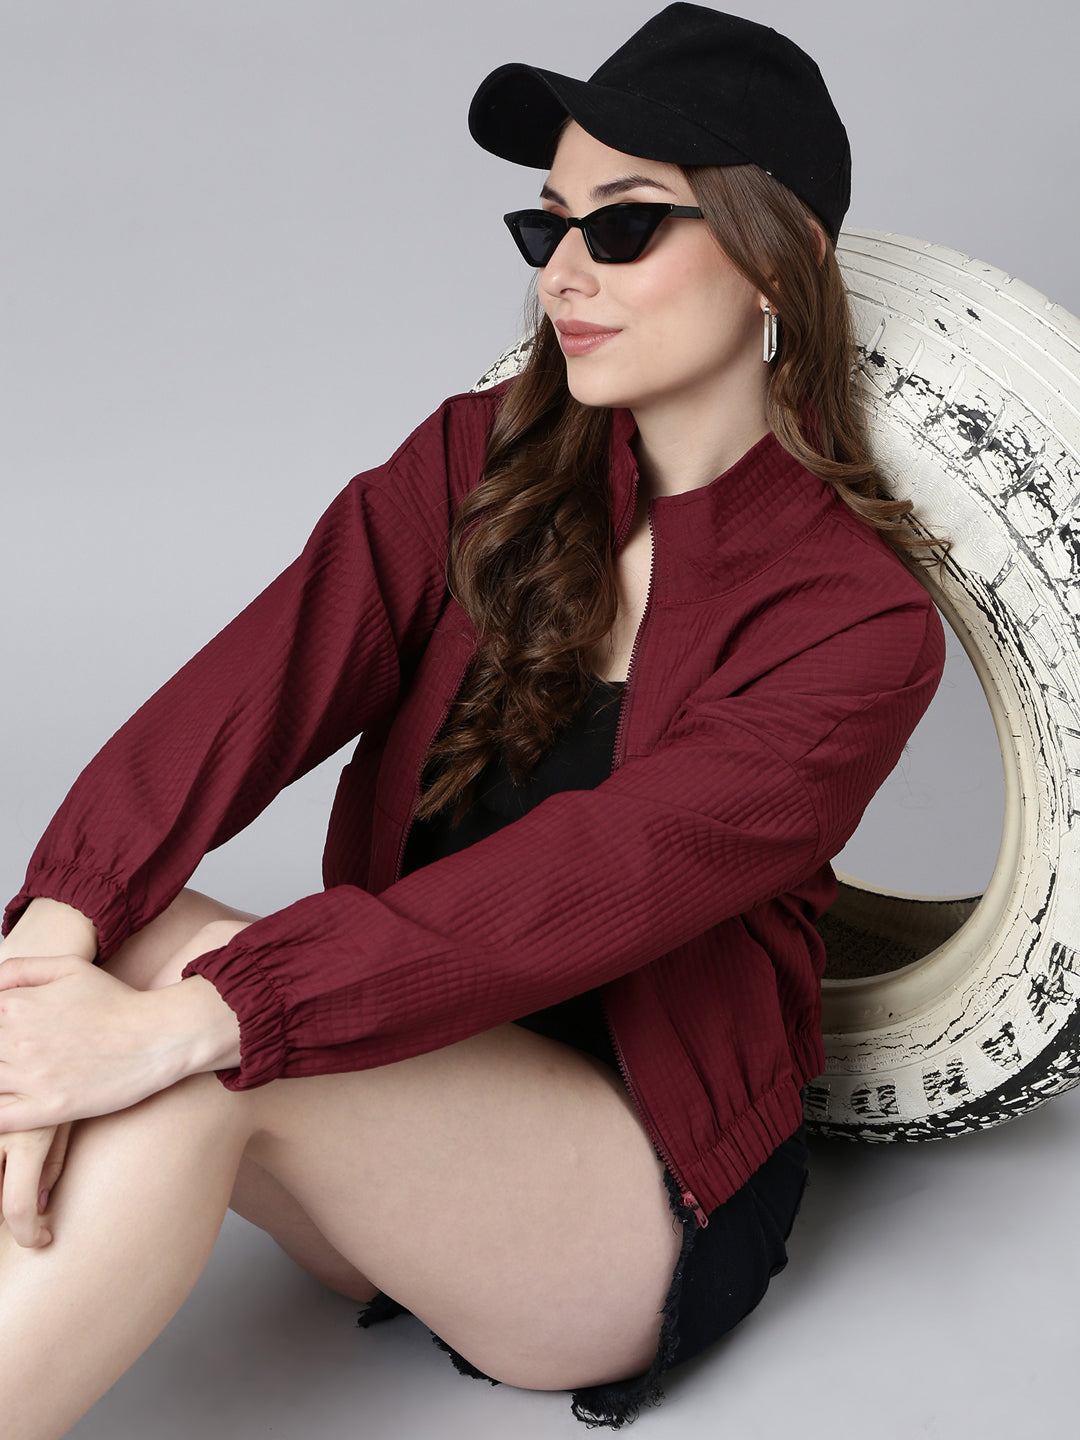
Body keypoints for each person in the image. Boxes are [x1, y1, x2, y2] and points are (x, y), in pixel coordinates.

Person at [0, 5, 949, 1435]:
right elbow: (253, 686)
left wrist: (197, 1023)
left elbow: (588, 880)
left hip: (628, 1185)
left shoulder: (853, 625)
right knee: (116, 948)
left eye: (622, 226)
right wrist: (54, 933)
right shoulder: (476, 461)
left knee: (200, 1041)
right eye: (546, 224)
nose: (563, 271)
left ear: (781, 255)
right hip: (395, 1074)